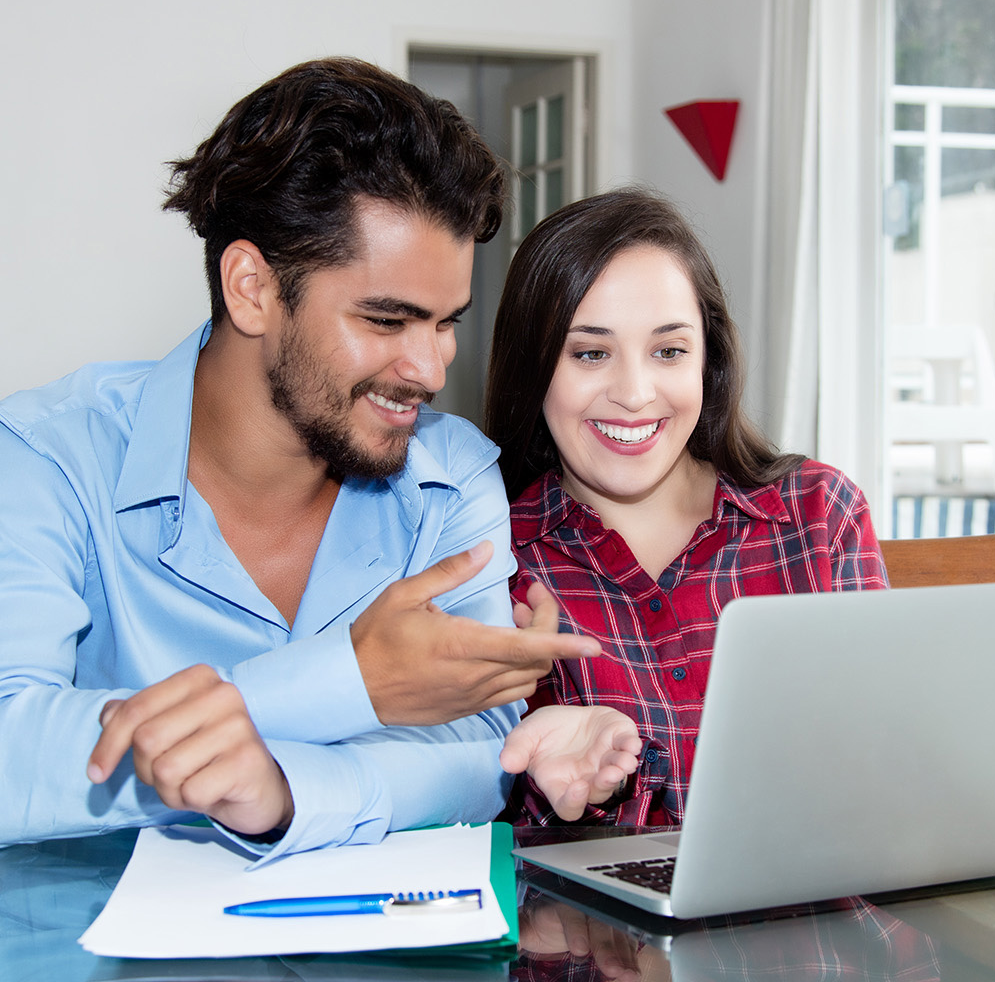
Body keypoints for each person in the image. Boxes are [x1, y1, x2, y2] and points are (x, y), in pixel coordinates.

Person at [0, 57, 612, 857]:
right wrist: (349, 683)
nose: (431, 369)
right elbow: (11, 754)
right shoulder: (47, 454)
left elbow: (484, 760)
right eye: (387, 320)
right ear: (251, 286)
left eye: (445, 321)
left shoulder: (451, 475)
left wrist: (284, 792)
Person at [487, 188, 888, 828]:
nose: (635, 394)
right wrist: (571, 784)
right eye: (590, 352)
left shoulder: (818, 516)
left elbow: (887, 771)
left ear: (709, 361)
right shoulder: (493, 562)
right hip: (615, 930)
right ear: (533, 368)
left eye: (668, 350)